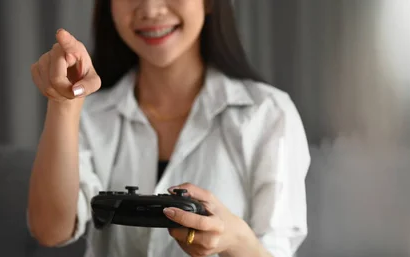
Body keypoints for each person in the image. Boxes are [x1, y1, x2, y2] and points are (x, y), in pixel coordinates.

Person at [27, 0, 311, 256]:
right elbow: (51, 231)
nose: (150, 10)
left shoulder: (268, 113)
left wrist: (235, 240)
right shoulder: (90, 114)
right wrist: (63, 104)